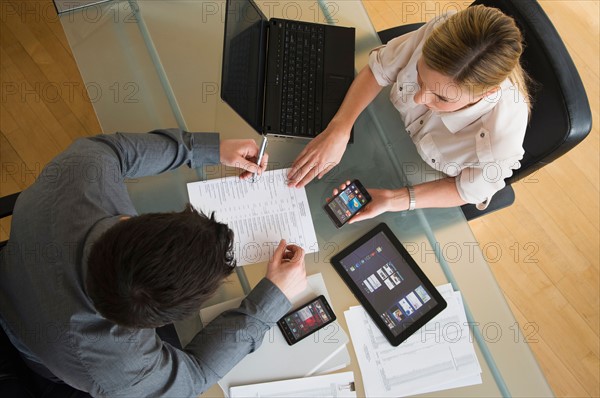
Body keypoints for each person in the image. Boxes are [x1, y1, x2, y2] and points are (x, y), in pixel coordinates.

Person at [0, 129, 307, 397]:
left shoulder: (82, 170)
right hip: (35, 352)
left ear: (128, 221)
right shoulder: (119, 369)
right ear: (159, 325)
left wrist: (205, 149)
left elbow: (117, 150)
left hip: (16, 275)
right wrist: (271, 299)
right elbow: (193, 378)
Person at [288, 5, 530, 220]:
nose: (418, 98)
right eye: (420, 76)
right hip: (374, 127)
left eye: (442, 97)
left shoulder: (502, 139)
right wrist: (339, 129)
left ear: (485, 94)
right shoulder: (440, 29)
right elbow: (378, 70)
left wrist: (395, 200)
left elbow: (465, 190)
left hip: (414, 180)